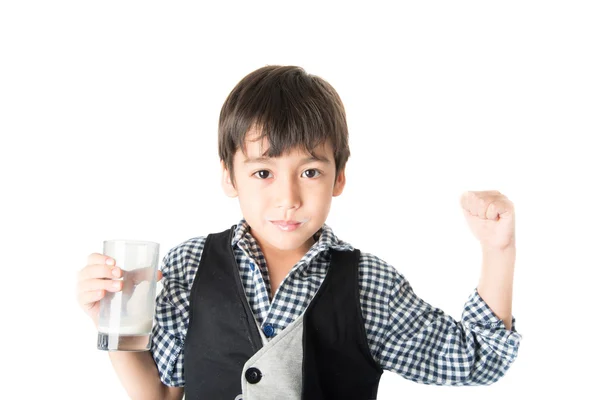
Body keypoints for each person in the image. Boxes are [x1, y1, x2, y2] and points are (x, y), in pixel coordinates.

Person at [76, 65, 521, 400]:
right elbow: (163, 394)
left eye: (309, 171)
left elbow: (479, 359)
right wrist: (114, 326)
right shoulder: (188, 265)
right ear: (230, 177)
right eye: (263, 172)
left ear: (339, 178)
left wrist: (498, 251)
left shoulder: (369, 284)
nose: (287, 197)